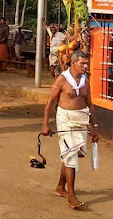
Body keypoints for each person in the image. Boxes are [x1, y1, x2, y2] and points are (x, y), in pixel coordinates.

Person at [41, 50, 99, 210]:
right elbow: (50, 102)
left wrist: (95, 127)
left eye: (87, 63)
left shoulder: (85, 81)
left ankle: (60, 187)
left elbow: (90, 104)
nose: (86, 66)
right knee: (71, 156)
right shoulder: (61, 79)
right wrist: (45, 124)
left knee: (72, 153)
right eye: (82, 63)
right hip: (65, 120)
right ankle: (71, 196)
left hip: (81, 120)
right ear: (73, 63)